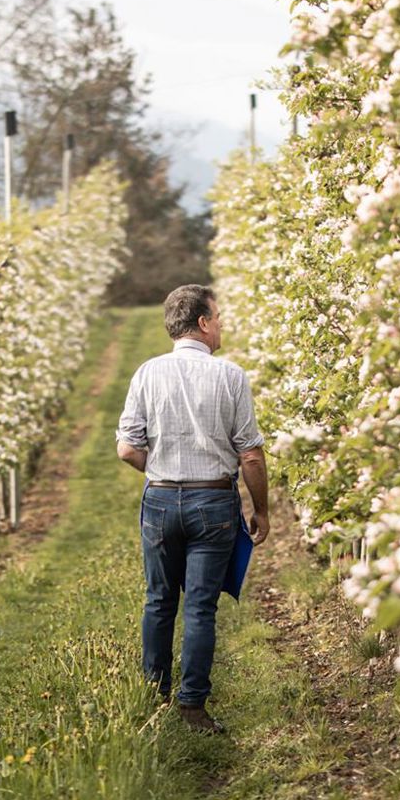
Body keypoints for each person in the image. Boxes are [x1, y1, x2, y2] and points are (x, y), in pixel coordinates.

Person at [114, 284, 270, 734]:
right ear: (202, 323)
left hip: (160, 500)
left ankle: (153, 693)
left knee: (159, 600)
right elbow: (252, 455)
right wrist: (261, 509)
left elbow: (127, 448)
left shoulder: (147, 372)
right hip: (213, 501)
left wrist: (160, 469)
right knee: (200, 607)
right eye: (217, 317)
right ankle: (192, 706)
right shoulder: (231, 376)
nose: (221, 326)